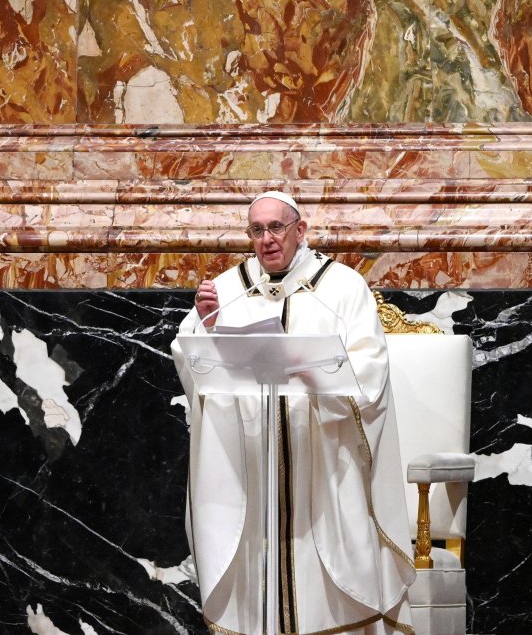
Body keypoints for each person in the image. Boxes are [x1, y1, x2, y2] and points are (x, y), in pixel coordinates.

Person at [170, 191, 416, 634]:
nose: (266, 240)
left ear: (300, 230)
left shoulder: (342, 286)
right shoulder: (225, 289)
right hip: (253, 472)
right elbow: (192, 361)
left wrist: (317, 374)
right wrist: (207, 327)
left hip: (323, 464)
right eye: (257, 230)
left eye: (276, 228)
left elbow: (370, 369)